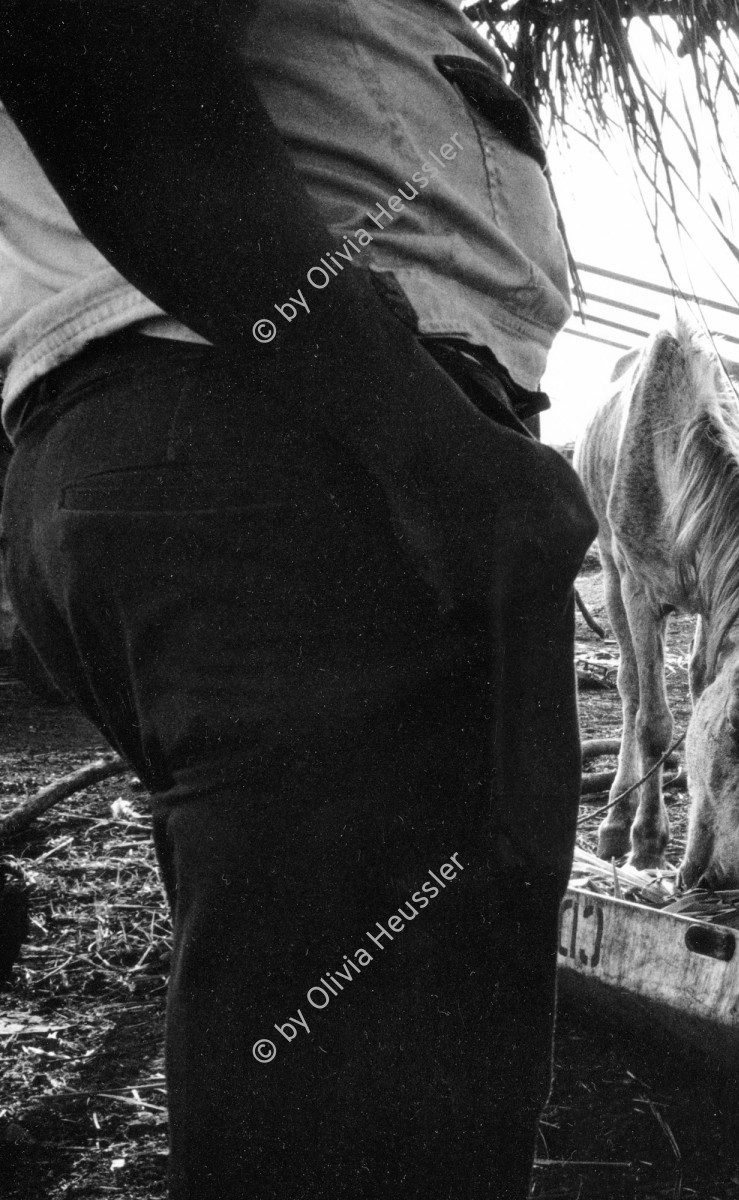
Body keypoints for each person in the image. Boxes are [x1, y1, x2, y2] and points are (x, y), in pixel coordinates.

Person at [0, 2, 597, 1197]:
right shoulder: (347, 422)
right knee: (377, 1113)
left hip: (223, 425)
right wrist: (423, 438)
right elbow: (87, 37)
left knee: (347, 1055)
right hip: (300, 441)